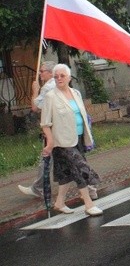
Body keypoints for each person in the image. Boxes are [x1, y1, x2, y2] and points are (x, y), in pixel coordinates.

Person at [40, 64, 102, 216]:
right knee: (79, 168)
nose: (59, 79)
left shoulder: (76, 93)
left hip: (78, 138)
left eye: (62, 76)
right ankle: (88, 204)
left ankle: (59, 203)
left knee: (66, 172)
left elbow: (82, 115)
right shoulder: (51, 96)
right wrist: (49, 142)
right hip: (62, 142)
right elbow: (45, 123)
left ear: (69, 77)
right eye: (56, 76)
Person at [18, 61, 58, 198]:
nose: (39, 74)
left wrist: (35, 91)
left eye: (42, 71)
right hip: (57, 126)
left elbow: (35, 107)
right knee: (66, 158)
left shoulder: (47, 87)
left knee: (46, 158)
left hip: (51, 128)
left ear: (50, 73)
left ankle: (38, 188)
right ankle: (88, 184)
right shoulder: (57, 84)